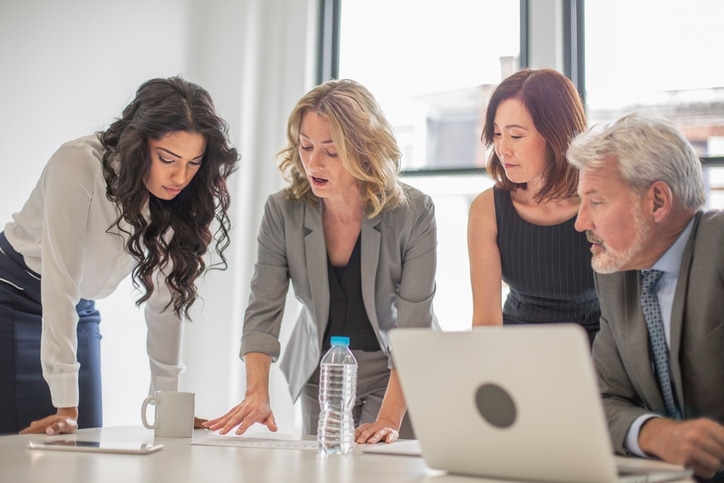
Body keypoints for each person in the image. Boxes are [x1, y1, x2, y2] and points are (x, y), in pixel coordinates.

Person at [203, 79, 438, 445]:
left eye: (331, 151)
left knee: (382, 468)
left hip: (396, 372)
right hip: (321, 369)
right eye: (306, 146)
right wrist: (256, 391)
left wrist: (389, 419)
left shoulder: (413, 211)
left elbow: (413, 326)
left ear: (364, 152)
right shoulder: (283, 211)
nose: (313, 163)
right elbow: (263, 308)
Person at [0, 76, 239, 435]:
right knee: (29, 448)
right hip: (12, 298)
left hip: (78, 307)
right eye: (168, 158)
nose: (179, 176)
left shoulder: (177, 196)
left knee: (84, 442)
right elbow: (60, 281)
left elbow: (166, 299)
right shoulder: (77, 164)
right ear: (138, 145)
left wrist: (167, 406)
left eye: (193, 163)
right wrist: (66, 404)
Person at [568, 112, 724, 481]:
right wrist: (656, 433)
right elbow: (602, 402)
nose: (580, 222)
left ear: (657, 201)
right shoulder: (615, 276)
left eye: (597, 202)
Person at [467, 68, 600, 345]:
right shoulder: (487, 209)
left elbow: (625, 315)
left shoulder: (599, 201)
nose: (502, 149)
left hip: (596, 351)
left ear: (556, 136)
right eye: (497, 134)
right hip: (516, 351)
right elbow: (486, 323)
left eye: (515, 136)